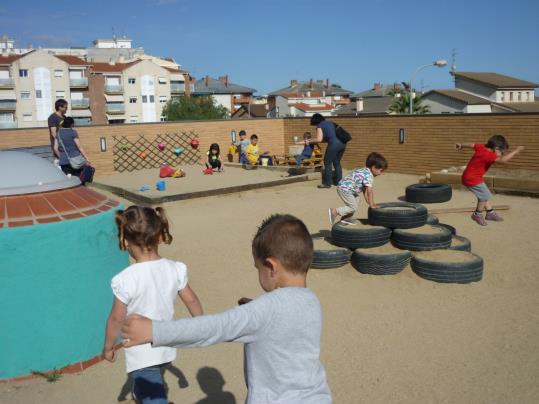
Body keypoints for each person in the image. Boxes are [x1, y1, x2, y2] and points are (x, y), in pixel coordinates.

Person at [121, 214, 332, 404]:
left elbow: (215, 328)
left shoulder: (264, 311)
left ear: (271, 267)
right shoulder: (311, 300)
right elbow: (283, 322)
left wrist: (155, 331)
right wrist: (256, 309)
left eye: (257, 268)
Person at [102, 206, 203, 404]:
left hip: (141, 351)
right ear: (159, 236)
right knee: (151, 377)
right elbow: (191, 299)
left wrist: (108, 347)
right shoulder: (175, 269)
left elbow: (116, 318)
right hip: (166, 342)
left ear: (124, 240)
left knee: (153, 391)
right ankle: (140, 393)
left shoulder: (125, 279)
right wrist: (202, 325)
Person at [456, 135, 524, 225]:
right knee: (485, 195)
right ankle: (477, 214)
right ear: (496, 148)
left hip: (470, 176)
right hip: (472, 179)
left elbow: (471, 145)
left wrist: (461, 145)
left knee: (483, 195)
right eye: (502, 152)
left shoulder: (482, 147)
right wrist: (516, 151)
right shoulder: (489, 155)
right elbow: (502, 161)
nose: (502, 154)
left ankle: (490, 213)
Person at [329, 152, 388, 225]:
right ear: (373, 168)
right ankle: (335, 211)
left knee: (357, 199)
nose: (380, 173)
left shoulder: (364, 170)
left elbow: (365, 191)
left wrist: (369, 203)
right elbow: (369, 191)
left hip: (345, 188)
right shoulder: (368, 176)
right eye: (380, 170)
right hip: (345, 189)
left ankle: (346, 218)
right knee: (353, 207)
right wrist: (372, 204)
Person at [296, 113, 346, 188]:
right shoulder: (330, 123)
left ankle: (327, 183)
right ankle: (338, 182)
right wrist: (313, 140)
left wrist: (309, 141)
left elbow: (319, 139)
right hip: (343, 143)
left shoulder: (320, 125)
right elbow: (325, 139)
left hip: (334, 144)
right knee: (337, 162)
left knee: (327, 162)